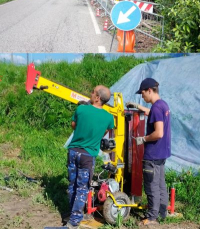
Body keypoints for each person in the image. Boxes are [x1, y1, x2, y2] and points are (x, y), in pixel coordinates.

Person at [66, 85, 115, 229]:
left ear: (97, 97)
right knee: (82, 188)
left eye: (93, 92)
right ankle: (74, 221)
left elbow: (74, 125)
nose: (90, 93)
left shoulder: (81, 109)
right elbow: (105, 131)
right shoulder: (108, 117)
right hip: (88, 156)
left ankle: (71, 213)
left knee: (72, 185)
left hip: (73, 152)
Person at [126, 78, 171, 226]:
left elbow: (158, 133)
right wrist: (139, 107)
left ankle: (151, 218)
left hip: (152, 154)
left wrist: (143, 139)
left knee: (151, 187)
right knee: (160, 185)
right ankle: (163, 213)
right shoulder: (162, 105)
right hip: (162, 153)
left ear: (150, 90)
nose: (142, 96)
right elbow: (153, 114)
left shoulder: (157, 108)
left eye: (143, 93)